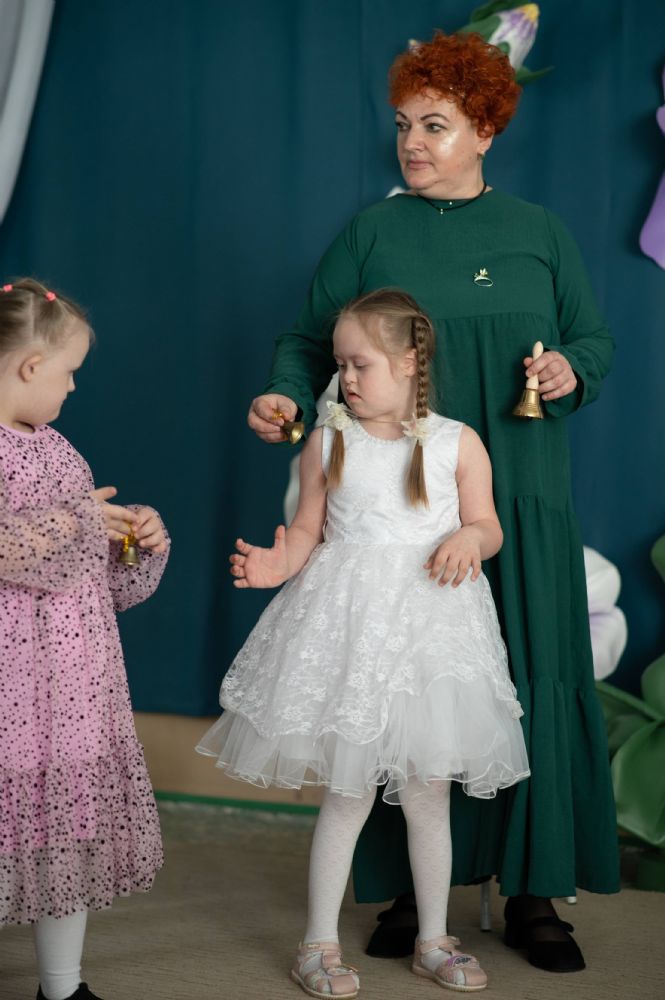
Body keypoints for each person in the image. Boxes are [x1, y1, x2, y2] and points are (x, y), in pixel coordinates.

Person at [247, 30, 619, 974]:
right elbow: (307, 340)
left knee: (522, 683)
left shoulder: (539, 232)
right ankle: (414, 904)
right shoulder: (372, 233)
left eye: (435, 125)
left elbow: (593, 341)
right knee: (400, 697)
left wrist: (568, 368)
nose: (411, 142)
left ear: (485, 130)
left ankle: (532, 893)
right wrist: (286, 399)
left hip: (514, 498)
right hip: (398, 515)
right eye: (403, 124)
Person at [199, 289, 529, 995]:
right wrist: (275, 566)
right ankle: (317, 944)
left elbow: (488, 525)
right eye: (340, 365)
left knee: (427, 792)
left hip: (431, 639)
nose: (346, 378)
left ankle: (433, 939)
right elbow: (306, 533)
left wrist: (471, 539)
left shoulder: (457, 442)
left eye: (361, 364)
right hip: (351, 635)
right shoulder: (328, 441)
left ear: (410, 361)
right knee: (346, 792)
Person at [0, 279, 169, 1000]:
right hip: (12, 685)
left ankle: (61, 988)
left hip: (71, 683)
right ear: (31, 365)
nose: (72, 388)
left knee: (63, 831)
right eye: (69, 372)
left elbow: (89, 573)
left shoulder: (61, 452)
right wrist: (76, 521)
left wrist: (131, 543)